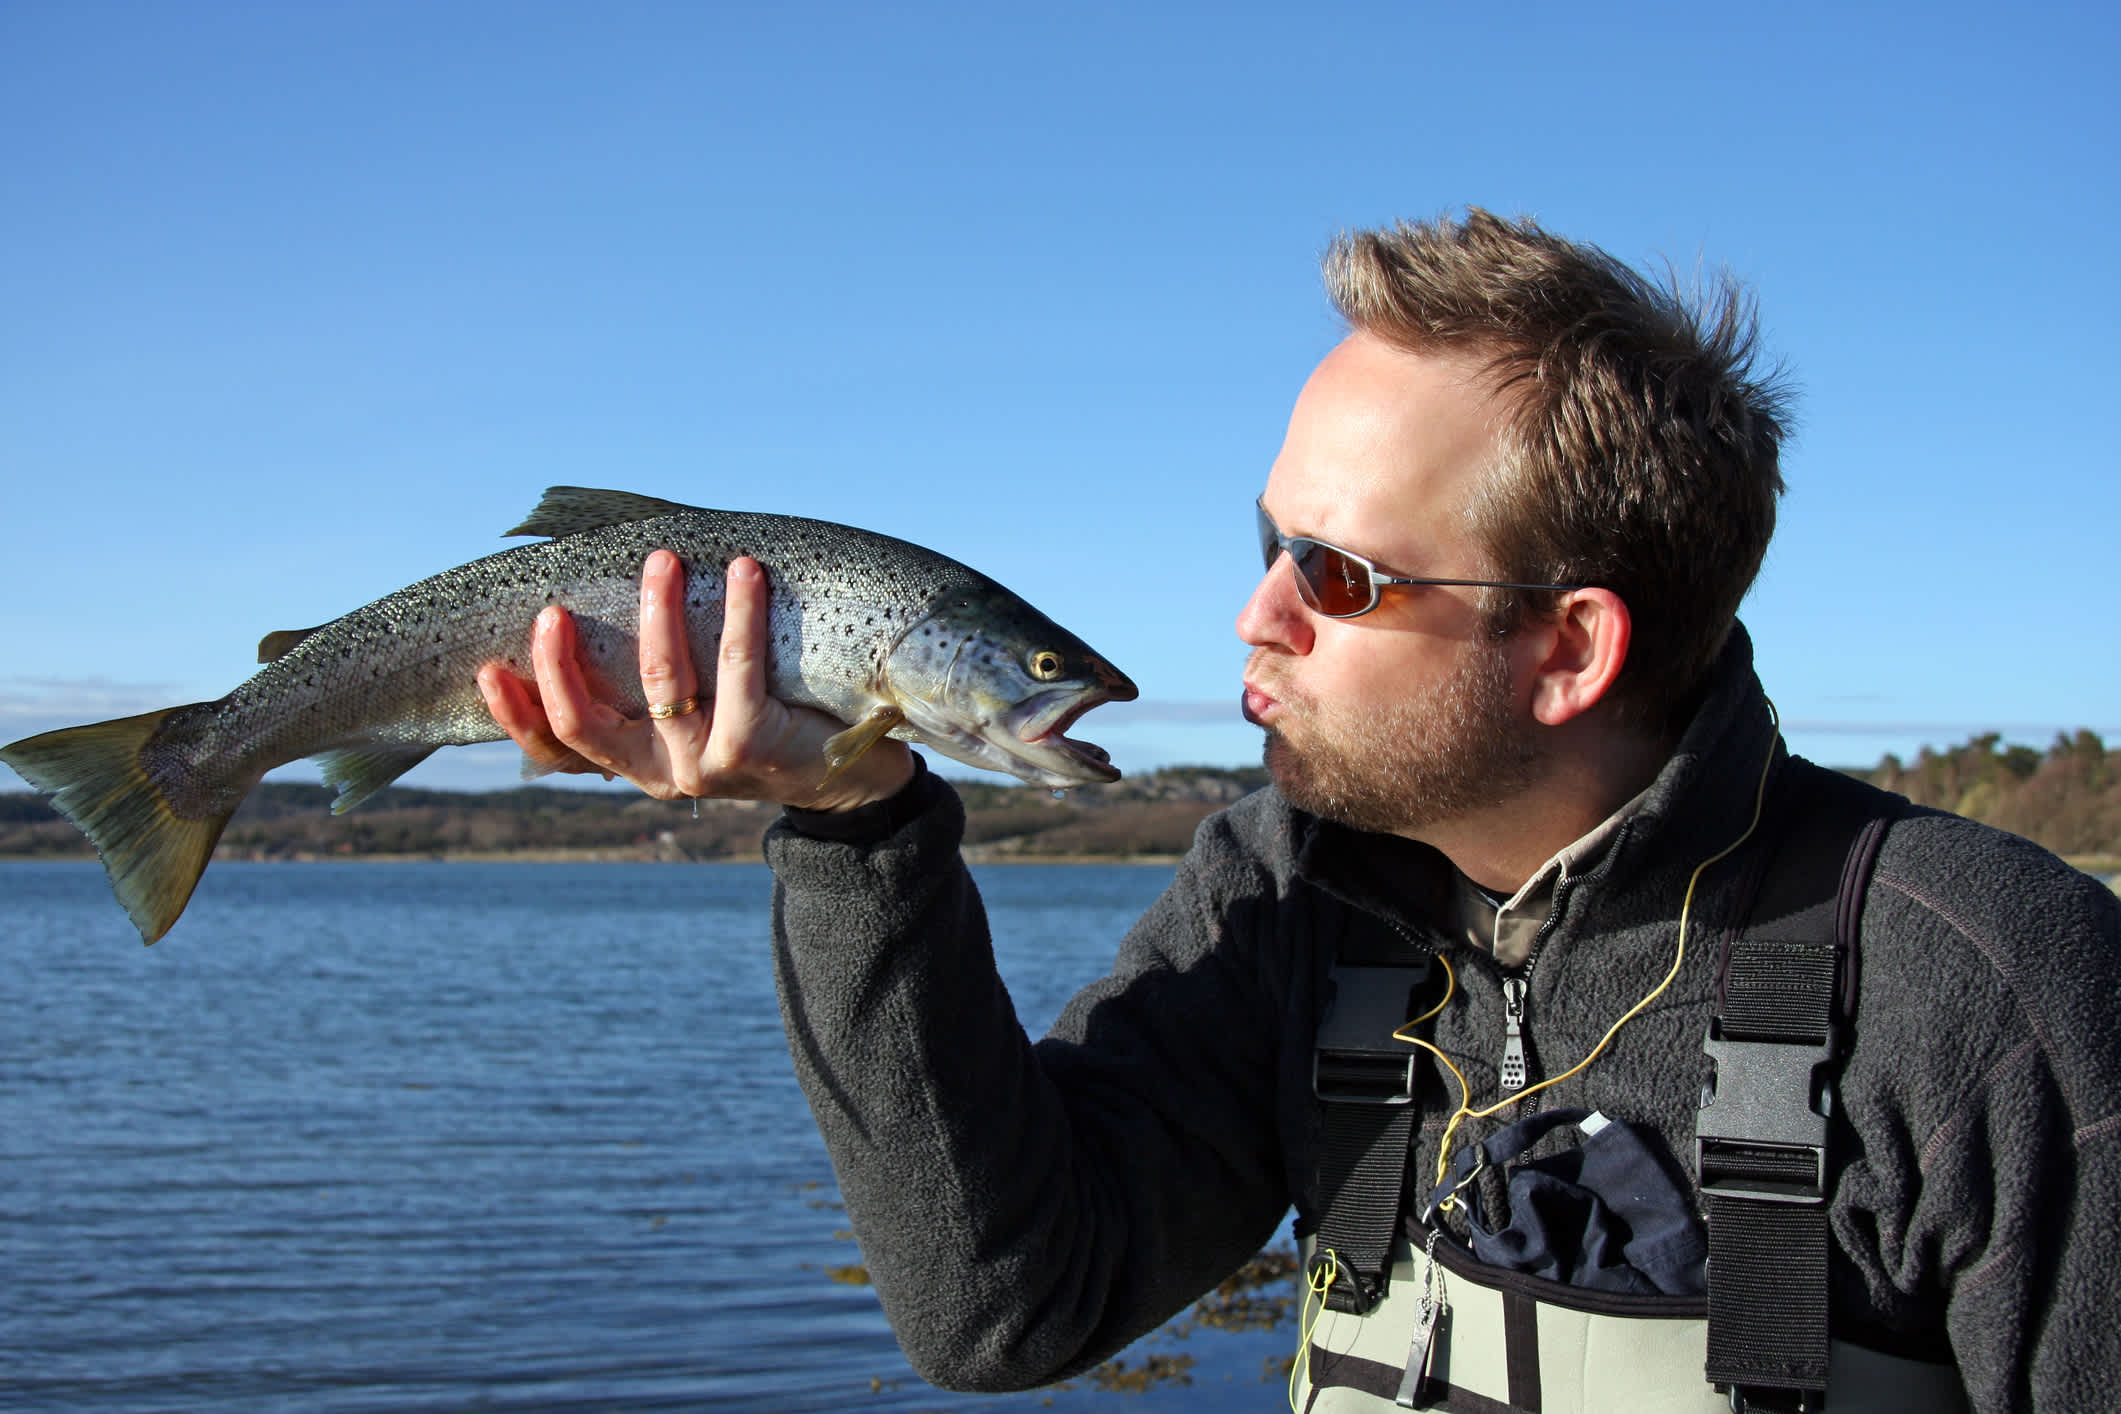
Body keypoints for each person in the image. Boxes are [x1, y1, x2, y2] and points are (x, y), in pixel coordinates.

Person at [478, 210, 2121, 1413]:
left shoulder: (1988, 995)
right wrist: (853, 825)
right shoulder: (1290, 898)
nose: (1254, 616)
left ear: (1568, 650)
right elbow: (1001, 1305)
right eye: (1265, 538)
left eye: (1334, 575)